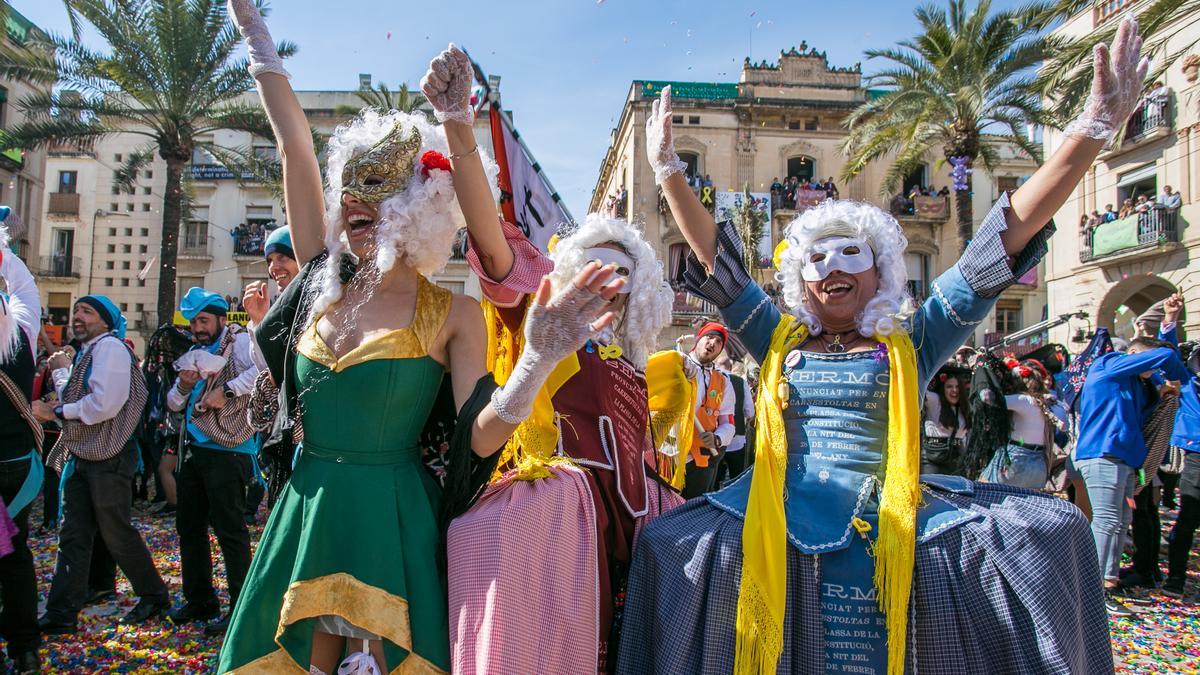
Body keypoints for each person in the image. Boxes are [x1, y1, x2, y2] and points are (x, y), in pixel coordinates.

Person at [619, 18, 1148, 673]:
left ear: (880, 270)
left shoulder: (911, 339)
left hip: (890, 516)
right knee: (669, 546)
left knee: (1057, 533)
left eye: (851, 252)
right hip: (776, 513)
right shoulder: (777, 337)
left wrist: (1091, 131)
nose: (832, 267)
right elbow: (716, 259)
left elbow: (999, 243)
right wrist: (670, 170)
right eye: (816, 256)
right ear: (796, 278)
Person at [221, 6, 620, 673]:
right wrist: (256, 37)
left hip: (395, 524)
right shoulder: (320, 277)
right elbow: (294, 144)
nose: (356, 200)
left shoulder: (452, 313)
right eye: (351, 185)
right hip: (307, 511)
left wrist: (536, 359)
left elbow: (477, 439)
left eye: (378, 186)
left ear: (420, 202)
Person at [420, 44, 684, 673]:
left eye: (623, 272)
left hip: (633, 527)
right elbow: (492, 235)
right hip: (561, 524)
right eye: (595, 267)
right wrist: (461, 125)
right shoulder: (544, 308)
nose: (607, 282)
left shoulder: (643, 360)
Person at [33, 296, 170, 632]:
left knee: (115, 531)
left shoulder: (108, 348)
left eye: (87, 311)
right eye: (76, 310)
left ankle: (153, 594)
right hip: (87, 456)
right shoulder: (90, 351)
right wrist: (62, 372)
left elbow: (104, 404)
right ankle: (62, 613)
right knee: (74, 534)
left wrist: (58, 412)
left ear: (106, 322)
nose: (78, 316)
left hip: (108, 457)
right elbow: (77, 396)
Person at [166, 288, 261, 636]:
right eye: (193, 322)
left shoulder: (239, 342)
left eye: (204, 320)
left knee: (230, 531)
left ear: (221, 318)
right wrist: (182, 385)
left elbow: (261, 373)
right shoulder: (193, 353)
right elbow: (174, 405)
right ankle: (200, 598)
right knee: (189, 527)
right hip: (194, 450)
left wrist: (228, 391)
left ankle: (240, 606)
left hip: (229, 450)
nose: (197, 328)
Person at [1075, 335, 1189, 613]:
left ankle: (1108, 583)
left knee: (1119, 523)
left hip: (1125, 459)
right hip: (1103, 454)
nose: (1153, 370)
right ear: (1134, 353)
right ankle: (1094, 591)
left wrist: (1159, 385)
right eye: (1147, 362)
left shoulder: (1139, 384)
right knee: (1107, 521)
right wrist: (1176, 375)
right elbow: (1169, 360)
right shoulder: (1108, 363)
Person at [0, 217, 45, 673]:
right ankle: (25, 648)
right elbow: (24, 283)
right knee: (14, 555)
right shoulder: (21, 330)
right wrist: (3, 253)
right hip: (17, 465)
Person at [979, 359, 1067, 489]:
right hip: (1040, 465)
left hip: (1015, 460)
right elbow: (1065, 423)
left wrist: (984, 376)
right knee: (1027, 507)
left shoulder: (1024, 400)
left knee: (984, 494)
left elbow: (986, 397)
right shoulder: (1054, 403)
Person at [681, 321, 735, 498]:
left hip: (701, 460)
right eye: (709, 336)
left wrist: (717, 439)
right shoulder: (677, 364)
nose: (713, 343)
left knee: (691, 514)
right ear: (699, 339)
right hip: (670, 453)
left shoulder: (724, 381)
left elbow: (728, 424)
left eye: (719, 342)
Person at [921, 370, 968, 476]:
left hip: (957, 461)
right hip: (933, 458)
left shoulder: (963, 408)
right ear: (943, 388)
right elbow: (920, 388)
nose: (954, 390)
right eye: (949, 386)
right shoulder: (935, 401)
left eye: (957, 386)